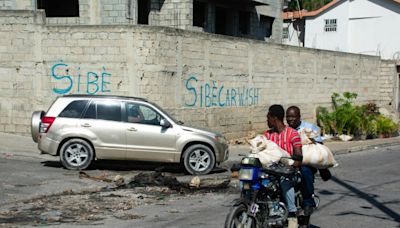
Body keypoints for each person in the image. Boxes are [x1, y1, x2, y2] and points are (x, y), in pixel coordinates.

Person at [286, 106, 329, 226]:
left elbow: (319, 146)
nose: (290, 119)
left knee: (305, 170)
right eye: (288, 117)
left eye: (293, 116)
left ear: (299, 116)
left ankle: (308, 202)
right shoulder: (286, 130)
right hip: (291, 161)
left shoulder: (309, 128)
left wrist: (307, 141)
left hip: (306, 161)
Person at [265, 104, 303, 228]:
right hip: (270, 171)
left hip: (289, 173)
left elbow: (298, 157)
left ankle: (292, 214)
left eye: (268, 118)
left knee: (284, 180)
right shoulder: (267, 135)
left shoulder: (292, 134)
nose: (267, 121)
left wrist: (289, 163)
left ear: (274, 118)